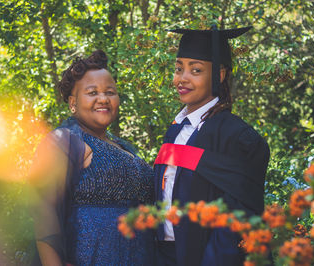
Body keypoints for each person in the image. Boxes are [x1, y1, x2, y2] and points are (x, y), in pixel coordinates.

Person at [153, 26, 270, 266]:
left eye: (195, 70)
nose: (182, 78)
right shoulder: (176, 130)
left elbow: (234, 224)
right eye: (178, 69)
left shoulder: (237, 137)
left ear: (219, 75)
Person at [29, 50, 155, 265]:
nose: (103, 99)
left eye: (110, 92)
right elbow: (43, 215)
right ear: (73, 102)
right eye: (92, 92)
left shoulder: (124, 148)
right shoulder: (64, 141)